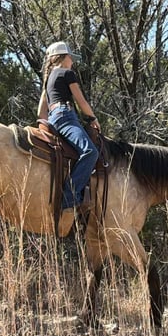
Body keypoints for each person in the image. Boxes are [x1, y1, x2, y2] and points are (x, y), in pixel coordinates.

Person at [37, 41, 100, 214]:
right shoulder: (67, 73)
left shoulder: (48, 80)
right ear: (63, 57)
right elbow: (81, 101)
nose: (72, 61)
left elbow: (41, 112)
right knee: (90, 152)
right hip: (65, 115)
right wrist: (93, 118)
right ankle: (68, 198)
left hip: (54, 118)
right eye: (70, 57)